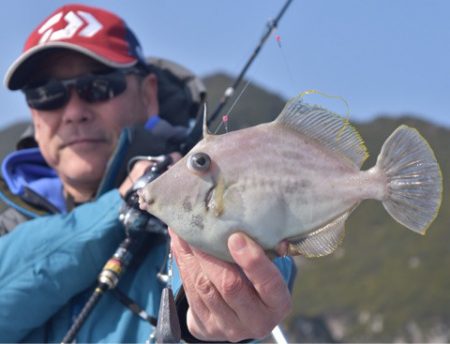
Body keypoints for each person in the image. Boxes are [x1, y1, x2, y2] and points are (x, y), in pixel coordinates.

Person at [0, 4, 296, 343]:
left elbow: (258, 246)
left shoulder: (200, 188)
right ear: (33, 114)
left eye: (98, 86)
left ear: (147, 94)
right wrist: (121, 206)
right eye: (46, 94)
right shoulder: (7, 223)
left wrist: (202, 328)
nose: (73, 112)